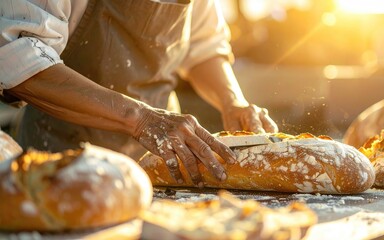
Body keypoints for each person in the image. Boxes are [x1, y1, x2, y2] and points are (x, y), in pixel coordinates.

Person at [0, 0, 278, 186]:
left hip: (166, 166)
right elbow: (17, 58)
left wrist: (232, 101)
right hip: (62, 166)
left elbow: (204, 46)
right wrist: (142, 119)